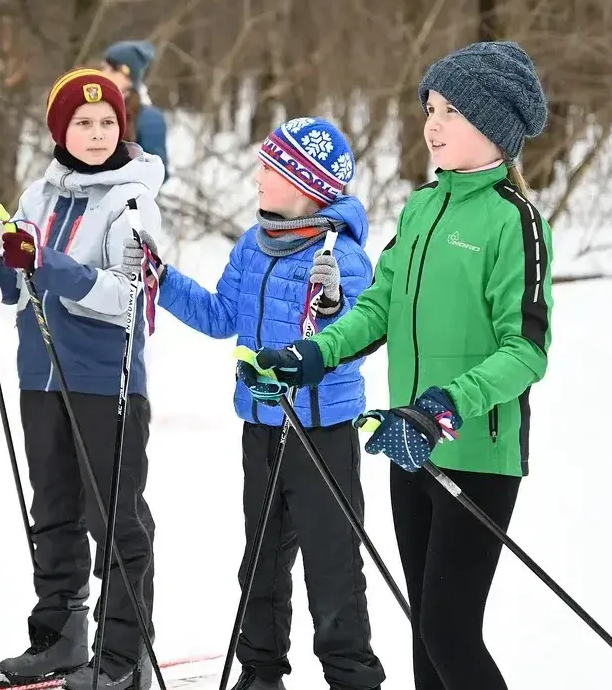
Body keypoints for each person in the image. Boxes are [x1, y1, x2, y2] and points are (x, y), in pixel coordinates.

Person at [244, 41, 552, 690]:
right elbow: (377, 308)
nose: (433, 125)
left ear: (494, 125)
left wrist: (444, 404)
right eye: (430, 109)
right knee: (424, 631)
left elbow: (525, 350)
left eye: (452, 112)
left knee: (449, 627)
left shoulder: (512, 222)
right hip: (410, 446)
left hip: (475, 453)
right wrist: (313, 353)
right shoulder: (419, 209)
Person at [131, 117, 385, 690]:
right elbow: (224, 317)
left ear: (306, 186)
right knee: (262, 560)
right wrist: (163, 280)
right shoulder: (254, 244)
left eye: (271, 169)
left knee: (332, 565)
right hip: (263, 428)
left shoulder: (341, 258)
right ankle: (261, 671)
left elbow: (356, 341)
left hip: (322, 432)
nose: (258, 177)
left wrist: (331, 306)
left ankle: (352, 677)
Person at [0, 68, 165, 690]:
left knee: (115, 518)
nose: (96, 133)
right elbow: (17, 289)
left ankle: (124, 655)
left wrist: (51, 263)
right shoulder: (38, 196)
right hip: (40, 376)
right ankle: (59, 636)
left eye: (107, 123)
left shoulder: (133, 200)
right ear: (59, 130)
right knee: (54, 511)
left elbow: (134, 301)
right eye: (82, 122)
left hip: (106, 380)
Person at [101, 41, 168, 181]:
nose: (104, 74)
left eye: (112, 70)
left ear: (130, 77)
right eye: (104, 68)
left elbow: (158, 173)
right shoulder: (97, 108)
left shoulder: (149, 118)